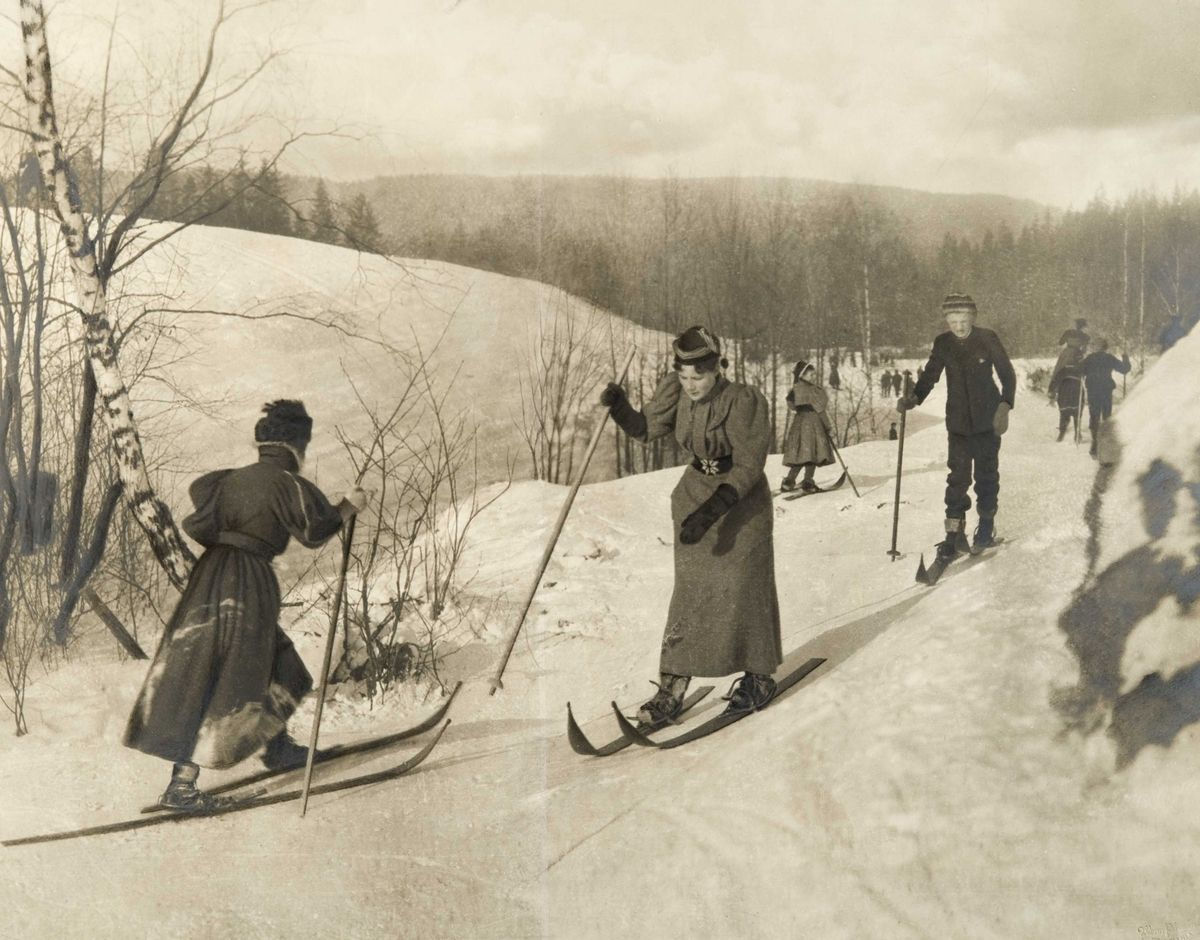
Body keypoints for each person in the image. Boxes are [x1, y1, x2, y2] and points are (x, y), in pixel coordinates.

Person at [123, 400, 370, 811]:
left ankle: (277, 749)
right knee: (227, 674)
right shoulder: (284, 481)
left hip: (212, 577)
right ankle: (181, 785)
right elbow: (315, 531)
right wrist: (349, 507)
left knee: (274, 663)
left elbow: (200, 525)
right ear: (295, 444)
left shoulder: (231, 481)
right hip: (249, 580)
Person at [600, 326, 782, 724]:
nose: (690, 385)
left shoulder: (741, 401)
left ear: (717, 368)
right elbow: (647, 428)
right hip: (694, 493)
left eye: (697, 376)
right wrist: (621, 409)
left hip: (740, 503)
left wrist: (712, 510)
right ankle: (671, 689)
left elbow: (751, 463)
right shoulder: (677, 392)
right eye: (683, 377)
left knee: (743, 586)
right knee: (690, 593)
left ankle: (759, 677)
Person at [899, 293, 1016, 555]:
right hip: (959, 423)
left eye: (963, 319)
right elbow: (930, 375)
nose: (959, 326)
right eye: (953, 320)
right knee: (957, 478)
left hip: (988, 421)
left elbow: (1007, 374)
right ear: (947, 320)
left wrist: (1005, 405)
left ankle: (985, 529)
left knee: (986, 476)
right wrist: (914, 398)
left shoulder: (987, 338)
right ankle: (954, 533)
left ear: (973, 317)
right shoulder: (943, 343)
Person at [781, 359, 836, 493]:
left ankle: (789, 481)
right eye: (811, 375)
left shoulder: (794, 389)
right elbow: (821, 410)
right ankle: (808, 482)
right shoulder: (814, 390)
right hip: (813, 424)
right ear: (802, 375)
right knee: (813, 453)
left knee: (801, 453)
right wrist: (828, 426)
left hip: (799, 423)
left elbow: (792, 405)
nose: (813, 377)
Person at [1081, 339, 1132, 456]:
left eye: (1095, 345)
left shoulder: (1089, 358)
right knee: (1106, 417)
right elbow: (1125, 369)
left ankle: (1094, 444)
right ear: (1105, 348)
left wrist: (1080, 364)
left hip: (1093, 390)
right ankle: (1105, 445)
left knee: (1094, 416)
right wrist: (1125, 358)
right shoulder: (1109, 358)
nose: (1094, 347)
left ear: (1099, 347)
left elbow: (1080, 371)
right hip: (1105, 390)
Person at [1047, 343, 1085, 442]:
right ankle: (1077, 433)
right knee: (1077, 412)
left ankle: (1062, 433)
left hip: (1065, 394)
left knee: (1064, 413)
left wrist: (1051, 391)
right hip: (1075, 392)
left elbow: (1056, 380)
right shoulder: (1079, 369)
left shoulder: (1064, 369)